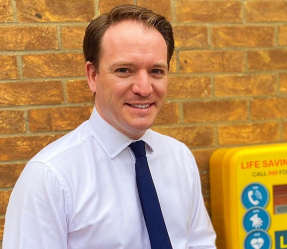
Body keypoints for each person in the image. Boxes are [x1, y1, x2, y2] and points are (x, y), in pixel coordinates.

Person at [3, 4, 216, 249]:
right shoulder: (51, 177)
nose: (144, 88)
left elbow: (199, 243)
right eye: (124, 70)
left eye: (156, 71)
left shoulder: (179, 158)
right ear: (93, 76)